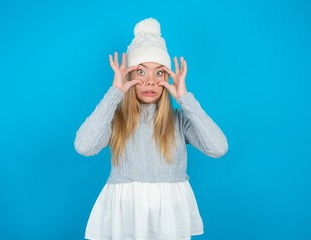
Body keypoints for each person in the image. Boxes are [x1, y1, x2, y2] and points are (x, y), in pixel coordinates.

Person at [74, 17, 228, 240]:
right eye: (140, 71)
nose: (150, 81)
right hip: (126, 216)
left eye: (159, 73)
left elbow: (218, 147)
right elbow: (84, 146)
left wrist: (185, 98)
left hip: (169, 219)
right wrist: (114, 92)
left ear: (167, 78)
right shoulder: (115, 119)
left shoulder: (180, 120)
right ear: (129, 75)